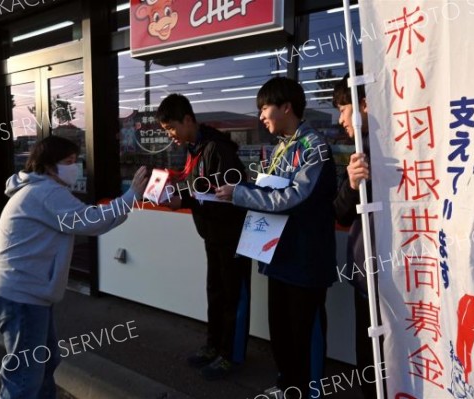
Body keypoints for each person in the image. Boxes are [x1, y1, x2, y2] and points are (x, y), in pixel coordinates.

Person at [0, 135, 148, 398]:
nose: (76, 167)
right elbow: (89, 220)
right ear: (48, 166)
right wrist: (130, 197)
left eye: (76, 160)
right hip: (22, 295)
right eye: (68, 162)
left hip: (24, 292)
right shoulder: (45, 192)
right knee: (25, 377)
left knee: (44, 362)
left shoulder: (38, 189)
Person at [215, 77, 338, 398]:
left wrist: (240, 194)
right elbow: (270, 189)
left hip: (305, 260)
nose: (260, 116)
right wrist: (239, 192)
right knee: (281, 331)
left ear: (286, 107)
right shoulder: (284, 146)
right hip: (280, 256)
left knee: (303, 332)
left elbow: (292, 197)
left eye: (264, 108)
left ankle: (308, 391)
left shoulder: (314, 147)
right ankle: (288, 386)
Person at [156, 93, 252, 381]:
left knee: (232, 297)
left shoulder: (217, 149)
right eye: (166, 130)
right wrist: (177, 194)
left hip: (232, 236)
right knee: (216, 293)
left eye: (171, 127)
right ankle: (214, 346)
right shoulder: (194, 148)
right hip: (212, 235)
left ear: (188, 120)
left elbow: (230, 195)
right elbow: (200, 188)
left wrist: (183, 200)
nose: (171, 135)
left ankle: (229, 356)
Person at [332, 71, 380, 399]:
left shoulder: (409, 150)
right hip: (365, 280)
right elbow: (340, 212)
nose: (340, 119)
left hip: (401, 283)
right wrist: (350, 185)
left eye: (342, 108)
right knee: (368, 362)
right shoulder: (357, 157)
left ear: (363, 105)